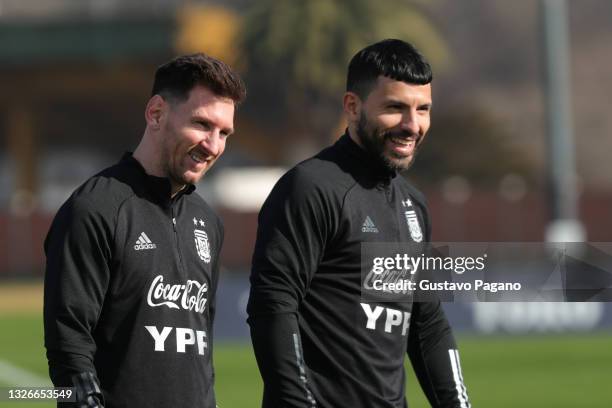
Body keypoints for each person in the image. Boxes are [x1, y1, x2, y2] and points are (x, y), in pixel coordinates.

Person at [248, 39, 470, 407]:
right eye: (395, 108)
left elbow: (427, 323)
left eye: (423, 109)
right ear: (353, 107)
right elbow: (273, 304)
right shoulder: (310, 187)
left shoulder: (414, 204)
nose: (412, 125)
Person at [44, 53, 245, 407]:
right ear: (156, 113)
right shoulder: (94, 209)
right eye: (201, 124)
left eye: (223, 132)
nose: (213, 145)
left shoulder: (208, 223)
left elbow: (201, 355)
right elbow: (69, 348)